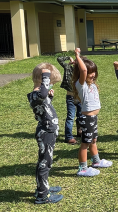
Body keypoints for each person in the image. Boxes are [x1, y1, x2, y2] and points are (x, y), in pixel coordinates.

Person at [27, 63, 63, 204]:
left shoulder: (38, 95)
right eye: (50, 83)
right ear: (43, 80)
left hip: (48, 131)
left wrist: (49, 98)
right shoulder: (37, 94)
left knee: (46, 162)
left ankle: (44, 187)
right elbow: (42, 94)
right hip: (46, 132)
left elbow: (43, 108)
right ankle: (42, 195)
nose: (51, 86)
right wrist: (46, 75)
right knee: (45, 163)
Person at [72, 48, 112, 176]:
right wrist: (77, 56)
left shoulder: (91, 84)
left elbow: (85, 68)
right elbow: (83, 70)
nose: (93, 74)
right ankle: (82, 169)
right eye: (90, 73)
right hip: (87, 119)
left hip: (93, 118)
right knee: (85, 143)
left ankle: (96, 161)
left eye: (94, 72)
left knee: (93, 140)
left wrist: (80, 61)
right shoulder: (81, 84)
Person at [57, 55, 82, 145]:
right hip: (70, 97)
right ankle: (68, 137)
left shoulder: (83, 73)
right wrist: (69, 57)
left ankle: (80, 131)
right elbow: (59, 59)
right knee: (70, 117)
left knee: (81, 116)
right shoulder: (68, 68)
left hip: (80, 98)